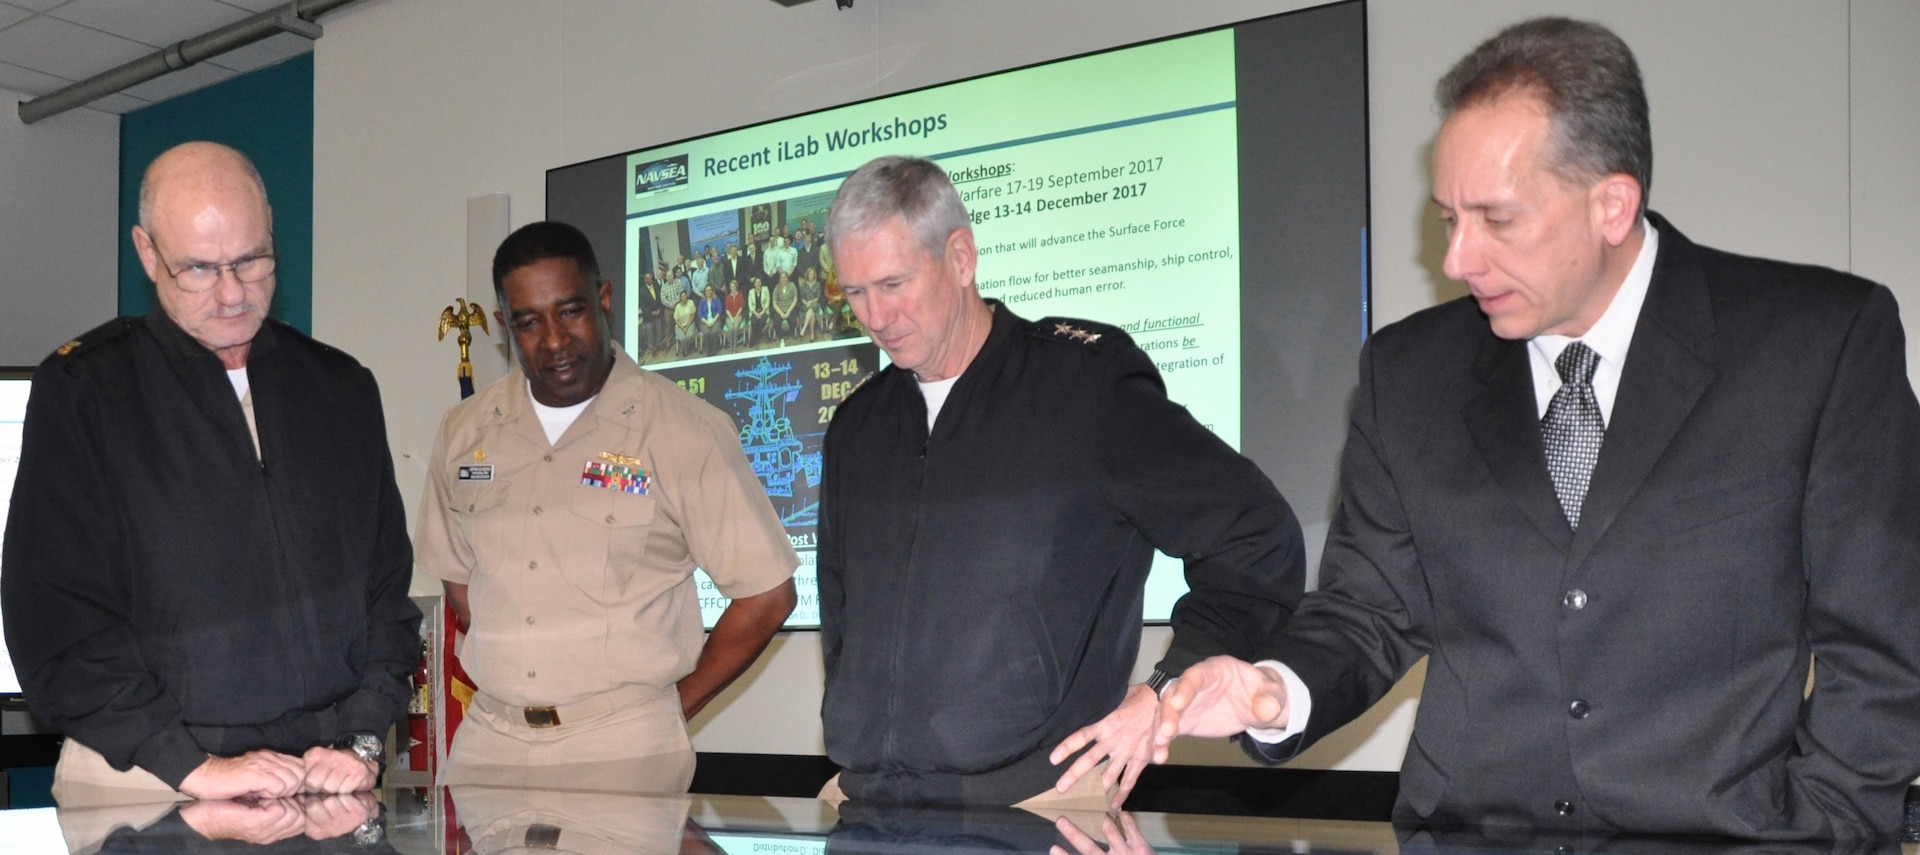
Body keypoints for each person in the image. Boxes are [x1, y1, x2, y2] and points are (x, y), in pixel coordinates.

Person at [1150, 18, 1920, 839]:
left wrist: (1822, 829)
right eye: (1449, 218)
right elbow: (1369, 612)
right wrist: (1273, 689)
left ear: (1612, 205)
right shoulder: (1407, 376)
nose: (1458, 260)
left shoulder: (1817, 345)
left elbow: (1883, 646)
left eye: (1497, 219)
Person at [817, 155, 1305, 809]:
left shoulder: (1084, 387)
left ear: (960, 257)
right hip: (865, 802)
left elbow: (1256, 537)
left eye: (894, 283)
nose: (876, 315)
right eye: (855, 293)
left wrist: (1168, 687)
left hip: (1035, 802)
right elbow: (840, 613)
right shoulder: (858, 426)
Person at [1, 141, 420, 806]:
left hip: (320, 776)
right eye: (197, 268)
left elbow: (386, 594)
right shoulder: (85, 389)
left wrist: (363, 736)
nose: (231, 294)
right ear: (147, 253)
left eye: (251, 261)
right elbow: (57, 621)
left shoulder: (341, 387)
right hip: (148, 775)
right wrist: (192, 766)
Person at [415, 220, 798, 792]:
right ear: (504, 327)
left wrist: (673, 706)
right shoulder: (464, 431)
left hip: (623, 752)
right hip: (488, 748)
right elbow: (461, 584)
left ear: (604, 299)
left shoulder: (683, 429)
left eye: (569, 311)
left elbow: (767, 594)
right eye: (529, 321)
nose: (553, 340)